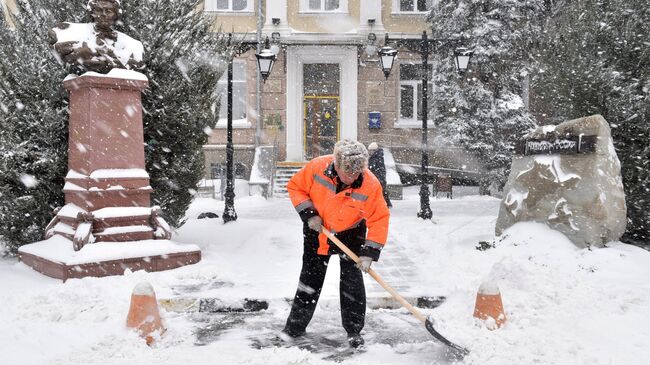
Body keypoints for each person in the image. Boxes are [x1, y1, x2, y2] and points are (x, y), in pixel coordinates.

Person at [283, 139, 390, 348]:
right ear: (337, 164)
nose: (351, 178)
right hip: (318, 230)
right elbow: (296, 187)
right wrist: (309, 214)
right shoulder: (317, 167)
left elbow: (379, 217)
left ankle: (354, 331)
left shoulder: (370, 183)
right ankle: (294, 328)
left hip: (351, 233)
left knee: (352, 283)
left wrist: (369, 253)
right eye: (347, 173)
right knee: (309, 281)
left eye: (356, 174)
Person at [48, 0, 144, 74]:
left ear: (116, 15)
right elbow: (60, 48)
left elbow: (134, 65)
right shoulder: (70, 31)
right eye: (98, 10)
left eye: (109, 11)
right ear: (92, 12)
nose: (103, 14)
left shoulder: (132, 44)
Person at [367, 142, 392, 208]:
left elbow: (378, 169)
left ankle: (386, 204)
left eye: (370, 150)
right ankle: (386, 204)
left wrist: (378, 179)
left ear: (374, 150)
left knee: (381, 192)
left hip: (378, 178)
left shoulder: (377, 158)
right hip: (377, 178)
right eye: (369, 150)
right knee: (381, 192)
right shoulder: (375, 157)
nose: (369, 152)